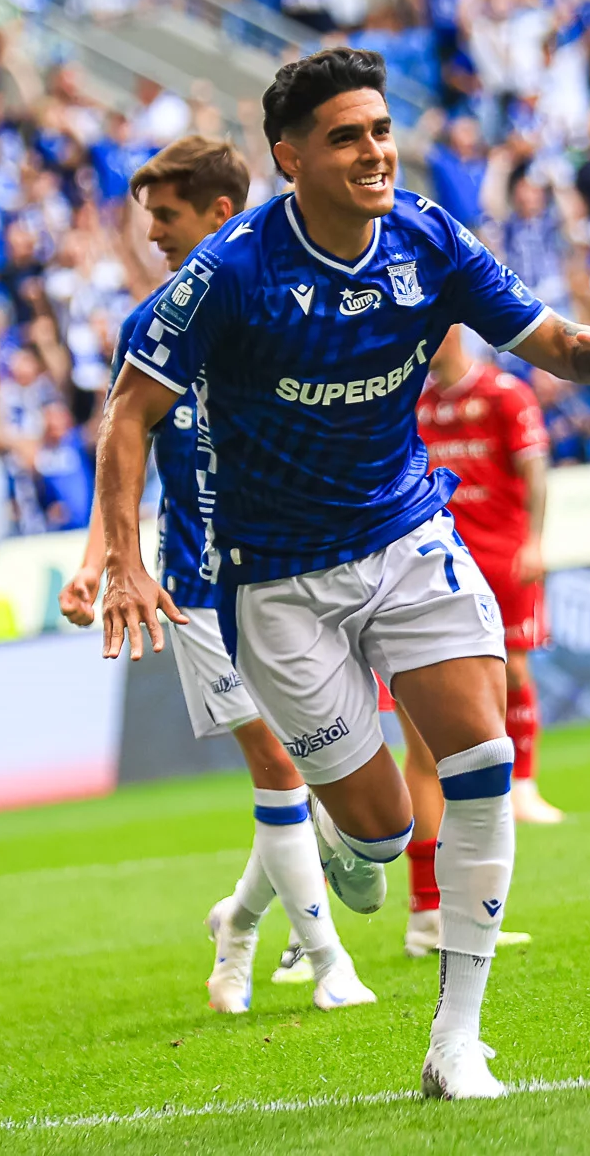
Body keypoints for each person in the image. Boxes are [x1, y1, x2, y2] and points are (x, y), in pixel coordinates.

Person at [95, 48, 590, 1099]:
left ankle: (456, 1040)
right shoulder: (229, 271)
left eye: (380, 130)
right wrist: (118, 553)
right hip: (274, 581)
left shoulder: (427, 237)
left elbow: (555, 342)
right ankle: (350, 843)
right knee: (378, 834)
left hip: (405, 535)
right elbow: (128, 413)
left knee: (480, 761)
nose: (375, 151)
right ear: (290, 158)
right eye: (346, 137)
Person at [60, 135, 377, 1016]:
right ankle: (329, 964)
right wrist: (95, 563)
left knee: (324, 772)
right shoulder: (151, 327)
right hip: (198, 586)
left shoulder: (281, 310)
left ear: (220, 213)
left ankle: (237, 923)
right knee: (278, 763)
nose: (152, 233)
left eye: (166, 215)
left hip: (296, 570)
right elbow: (120, 457)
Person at [398, 324, 557, 960]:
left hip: (495, 555)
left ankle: (526, 787)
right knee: (438, 745)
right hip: (431, 567)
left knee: (504, 682)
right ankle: (435, 913)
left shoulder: (504, 393)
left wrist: (535, 540)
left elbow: (535, 471)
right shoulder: (411, 400)